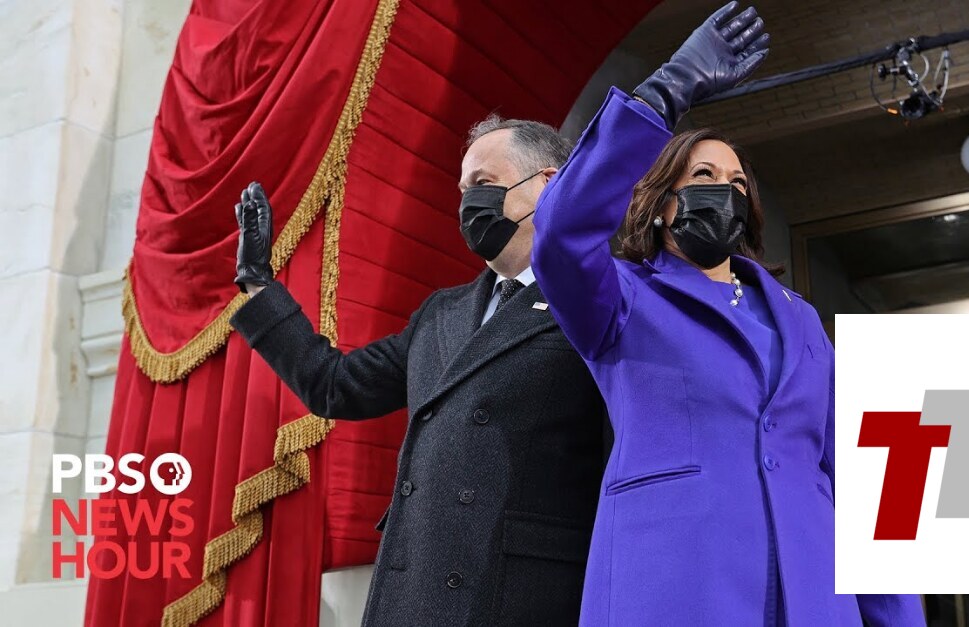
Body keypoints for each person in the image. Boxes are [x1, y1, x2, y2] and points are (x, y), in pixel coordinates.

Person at [531, 3, 926, 625]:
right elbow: (560, 234)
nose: (724, 189)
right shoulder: (621, 300)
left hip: (814, 596)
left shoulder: (801, 321)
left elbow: (859, 481)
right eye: (704, 174)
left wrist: (898, 617)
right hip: (679, 588)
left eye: (737, 183)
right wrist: (667, 91)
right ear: (661, 204)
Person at [228, 116, 610, 626]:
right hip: (417, 584)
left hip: (520, 594)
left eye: (483, 183)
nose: (468, 204)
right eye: (463, 191)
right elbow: (334, 386)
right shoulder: (441, 312)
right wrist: (259, 286)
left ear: (548, 184)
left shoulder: (597, 299)